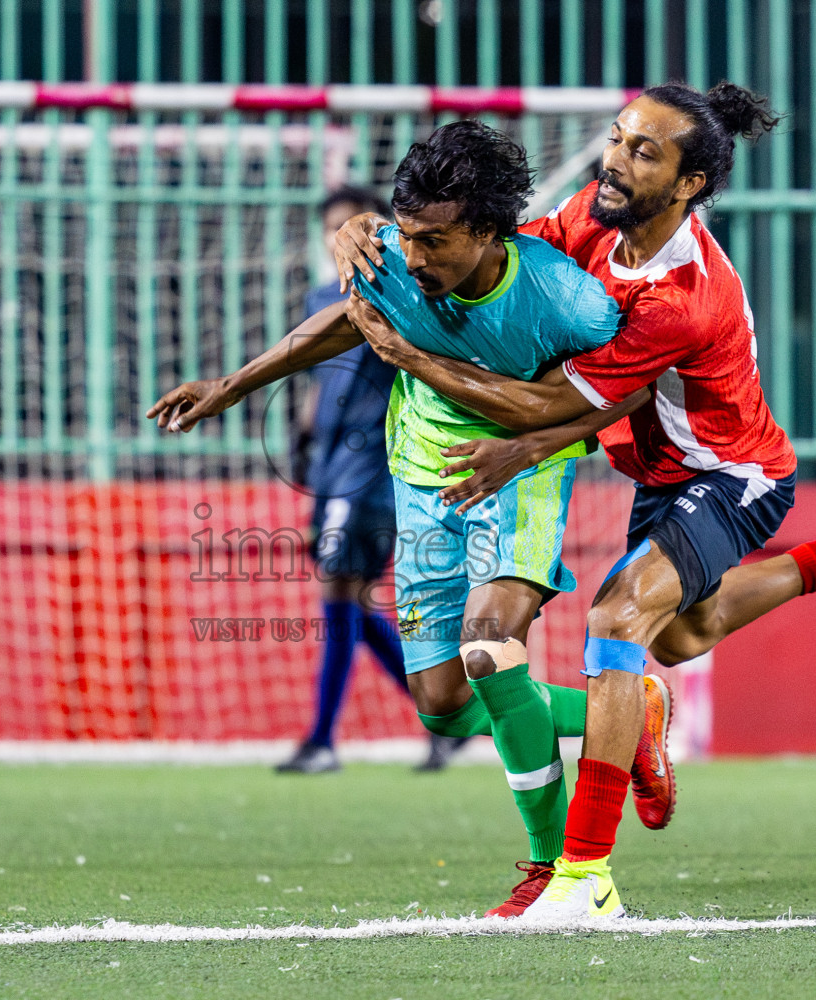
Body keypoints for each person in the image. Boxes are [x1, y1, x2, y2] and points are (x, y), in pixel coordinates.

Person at [335, 81, 816, 919]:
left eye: (643, 151)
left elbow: (557, 405)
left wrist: (410, 354)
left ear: (691, 184)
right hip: (656, 474)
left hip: (730, 475)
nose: (615, 159)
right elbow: (505, 271)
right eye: (619, 139)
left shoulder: (682, 297)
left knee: (618, 617)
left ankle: (584, 876)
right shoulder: (593, 212)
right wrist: (377, 241)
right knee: (687, 633)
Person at [148, 120, 655, 917]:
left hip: (518, 475)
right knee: (445, 707)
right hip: (421, 479)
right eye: (409, 236)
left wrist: (536, 441)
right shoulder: (390, 257)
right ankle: (625, 710)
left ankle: (557, 873)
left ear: (491, 232)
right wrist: (232, 384)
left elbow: (627, 383)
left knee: (490, 652)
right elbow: (352, 318)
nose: (415, 258)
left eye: (437, 242)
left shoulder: (564, 300)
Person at [276, 185, 455, 776]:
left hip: (372, 475)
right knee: (348, 603)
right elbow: (317, 385)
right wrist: (302, 447)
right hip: (330, 473)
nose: (339, 242)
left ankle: (323, 740)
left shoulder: (394, 299)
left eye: (348, 229)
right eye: (331, 230)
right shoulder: (322, 297)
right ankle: (444, 720)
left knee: (338, 599)